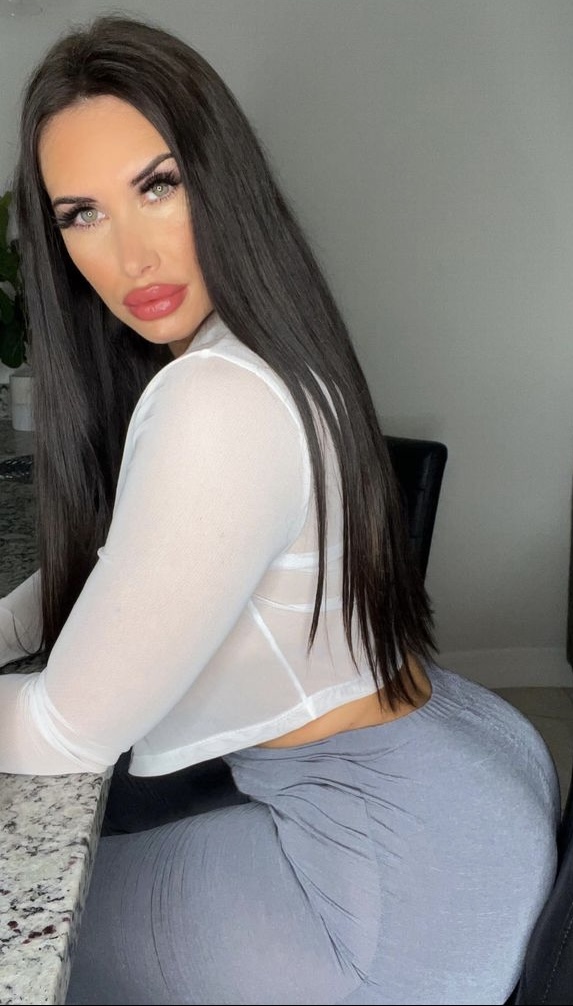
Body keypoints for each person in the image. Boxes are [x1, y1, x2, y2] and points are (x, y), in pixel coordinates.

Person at [0, 14, 560, 1006]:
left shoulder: (214, 397)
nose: (130, 254)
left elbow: (61, 737)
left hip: (385, 896)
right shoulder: (258, 350)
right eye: (81, 214)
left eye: (158, 185)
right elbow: (123, 566)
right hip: (457, 771)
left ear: (220, 179)